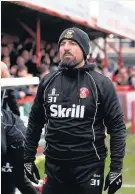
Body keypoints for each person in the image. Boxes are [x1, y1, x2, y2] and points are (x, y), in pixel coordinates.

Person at [24, 27, 126, 194]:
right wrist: (28, 158)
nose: (66, 47)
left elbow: (117, 127)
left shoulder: (101, 84)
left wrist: (116, 168)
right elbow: (35, 122)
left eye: (72, 43)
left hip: (88, 168)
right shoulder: (48, 82)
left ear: (84, 50)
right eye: (62, 43)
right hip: (54, 167)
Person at [1, 108, 39, 194]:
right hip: (11, 141)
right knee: (7, 178)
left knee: (16, 177)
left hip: (18, 143)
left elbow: (1, 148)